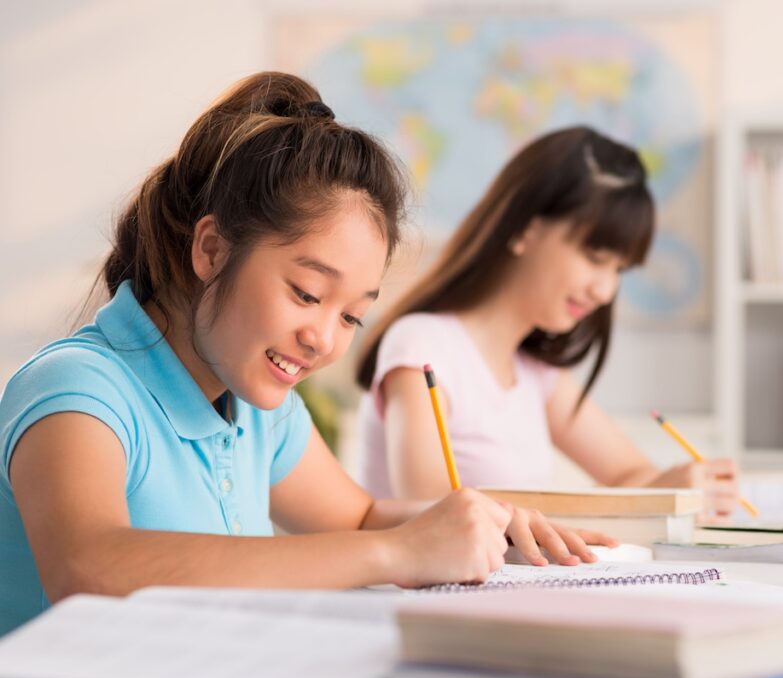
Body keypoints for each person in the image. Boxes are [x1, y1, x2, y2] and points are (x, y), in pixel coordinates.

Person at [0, 73, 611, 636]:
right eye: (307, 293)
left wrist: (479, 520)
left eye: (350, 315)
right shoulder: (77, 389)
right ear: (211, 249)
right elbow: (91, 569)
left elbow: (359, 515)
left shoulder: (253, 401)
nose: (322, 339)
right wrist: (398, 552)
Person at [355, 126, 740, 518]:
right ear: (525, 229)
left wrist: (680, 485)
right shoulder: (422, 347)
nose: (605, 291)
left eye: (619, 269)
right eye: (595, 257)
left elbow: (629, 474)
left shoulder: (535, 374)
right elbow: (431, 515)